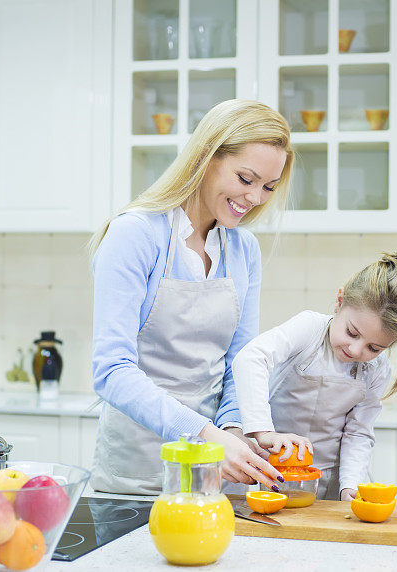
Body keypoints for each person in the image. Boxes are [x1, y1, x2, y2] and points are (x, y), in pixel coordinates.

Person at [88, 99, 294, 495]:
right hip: (136, 473)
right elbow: (111, 371)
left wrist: (233, 430)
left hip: (212, 473)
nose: (254, 198)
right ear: (206, 157)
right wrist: (207, 435)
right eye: (245, 178)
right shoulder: (137, 234)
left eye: (268, 187)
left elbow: (240, 359)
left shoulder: (243, 249)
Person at [233, 251, 397, 501]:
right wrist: (264, 432)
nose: (356, 350)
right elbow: (250, 358)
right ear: (339, 302)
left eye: (374, 348)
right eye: (352, 332)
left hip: (329, 481)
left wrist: (350, 485)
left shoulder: (377, 369)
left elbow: (358, 432)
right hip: (272, 471)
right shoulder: (309, 329)